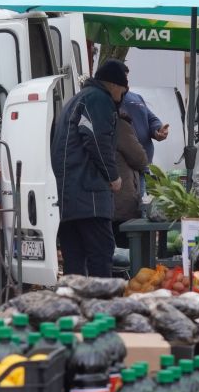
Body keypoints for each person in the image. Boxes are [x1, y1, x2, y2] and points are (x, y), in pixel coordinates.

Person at [51, 59, 128, 278]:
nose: (123, 95)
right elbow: (96, 139)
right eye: (123, 90)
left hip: (67, 197)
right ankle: (100, 304)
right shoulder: (98, 99)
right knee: (101, 253)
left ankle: (77, 306)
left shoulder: (77, 100)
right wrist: (113, 176)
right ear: (114, 84)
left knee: (74, 260)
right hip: (89, 195)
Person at [111, 111, 149, 251]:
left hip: (106, 203)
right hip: (121, 199)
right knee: (126, 250)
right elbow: (140, 159)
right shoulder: (120, 125)